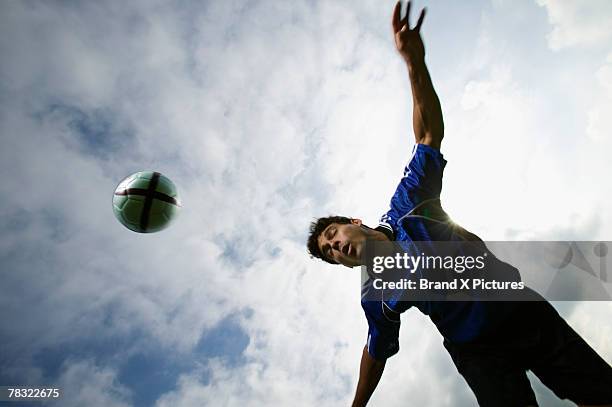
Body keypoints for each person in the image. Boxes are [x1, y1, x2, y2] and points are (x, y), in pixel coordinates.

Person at [306, 2, 612, 406]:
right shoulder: (377, 296)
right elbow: (375, 352)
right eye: (331, 254)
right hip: (477, 354)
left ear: (353, 222)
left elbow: (428, 134)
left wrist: (414, 63)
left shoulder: (407, 206)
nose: (336, 247)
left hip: (519, 309)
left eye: (332, 235)